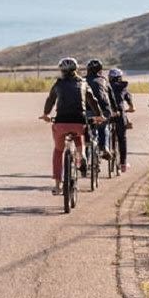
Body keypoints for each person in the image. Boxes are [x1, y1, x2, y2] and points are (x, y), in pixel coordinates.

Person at [40, 57, 104, 195]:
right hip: (79, 122)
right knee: (78, 131)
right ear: (76, 70)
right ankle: (81, 157)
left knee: (58, 151)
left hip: (61, 122)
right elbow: (92, 100)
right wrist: (99, 115)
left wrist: (46, 114)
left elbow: (50, 100)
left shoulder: (58, 84)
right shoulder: (83, 83)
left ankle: (58, 185)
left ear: (61, 71)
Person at [85, 59, 118, 170]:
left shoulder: (82, 81)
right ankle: (105, 148)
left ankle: (86, 158)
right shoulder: (104, 80)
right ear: (100, 71)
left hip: (87, 110)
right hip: (104, 110)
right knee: (104, 127)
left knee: (88, 132)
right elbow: (111, 97)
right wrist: (115, 110)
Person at [108, 69, 135, 172]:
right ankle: (123, 164)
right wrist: (132, 108)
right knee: (122, 138)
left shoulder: (105, 85)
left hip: (108, 114)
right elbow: (128, 99)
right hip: (120, 114)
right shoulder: (123, 87)